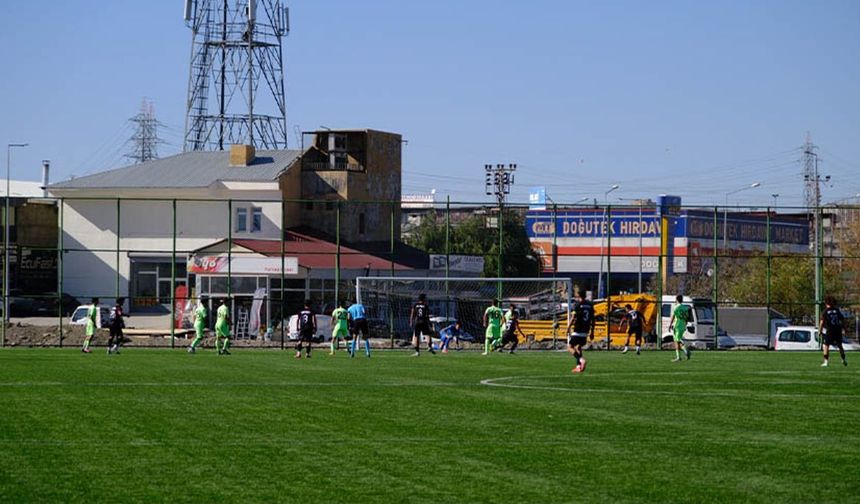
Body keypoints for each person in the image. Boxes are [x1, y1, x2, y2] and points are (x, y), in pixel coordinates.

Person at [564, 291, 594, 373]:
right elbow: (593, 319)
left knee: (569, 347)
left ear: (578, 296)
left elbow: (573, 317)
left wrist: (568, 327)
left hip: (578, 330)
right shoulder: (590, 305)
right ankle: (578, 367)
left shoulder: (578, 305)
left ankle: (581, 360)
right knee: (578, 347)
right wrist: (592, 332)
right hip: (586, 330)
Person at [819, 296, 848, 367]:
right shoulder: (837, 310)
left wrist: (820, 330)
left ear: (826, 303)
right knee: (840, 345)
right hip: (838, 329)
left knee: (826, 346)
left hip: (830, 330)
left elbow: (822, 322)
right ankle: (843, 360)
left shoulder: (825, 311)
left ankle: (826, 362)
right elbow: (842, 320)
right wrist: (844, 329)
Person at [668, 295, 692, 362]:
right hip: (683, 326)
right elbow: (687, 317)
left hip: (677, 326)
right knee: (678, 340)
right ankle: (683, 352)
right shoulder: (685, 308)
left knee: (676, 341)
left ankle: (681, 355)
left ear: (677, 300)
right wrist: (685, 324)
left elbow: (673, 316)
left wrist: (670, 325)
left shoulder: (676, 307)